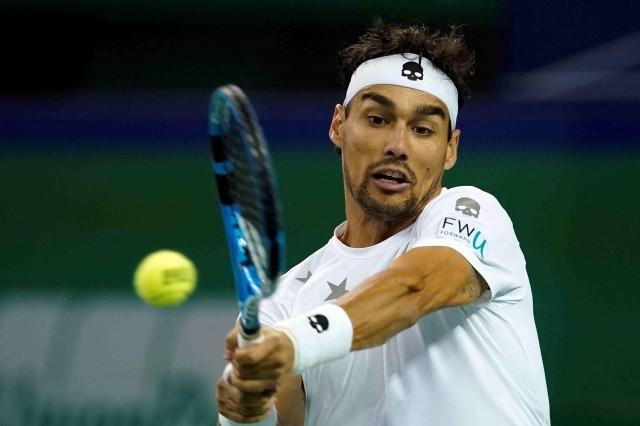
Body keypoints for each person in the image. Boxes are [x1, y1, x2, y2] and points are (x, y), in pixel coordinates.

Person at [216, 21, 550, 426]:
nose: (398, 146)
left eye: (423, 129)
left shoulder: (472, 213)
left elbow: (413, 288)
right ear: (339, 125)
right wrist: (245, 413)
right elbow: (276, 415)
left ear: (450, 150)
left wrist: (294, 341)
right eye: (377, 120)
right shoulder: (282, 303)